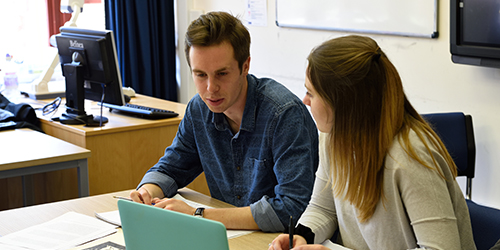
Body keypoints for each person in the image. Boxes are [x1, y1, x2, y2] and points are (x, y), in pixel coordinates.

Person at [269, 35, 476, 249]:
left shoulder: (411, 156)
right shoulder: (333, 137)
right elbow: (323, 208)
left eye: (311, 93)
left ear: (342, 103)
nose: (305, 101)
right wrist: (302, 235)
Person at [129, 11, 319, 233]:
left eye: (221, 74)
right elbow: (171, 168)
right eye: (200, 75)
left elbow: (289, 209)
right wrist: (147, 192)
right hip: (228, 237)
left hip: (278, 242)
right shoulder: (199, 109)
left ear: (245, 66)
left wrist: (198, 215)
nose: (210, 88)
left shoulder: (284, 114)